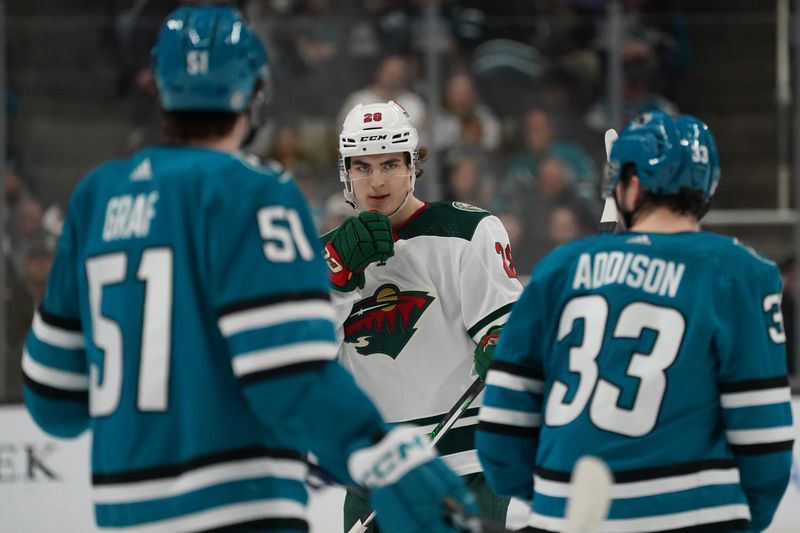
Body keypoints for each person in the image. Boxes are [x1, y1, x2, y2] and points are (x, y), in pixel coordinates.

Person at [21, 7, 475, 532]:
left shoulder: (95, 199)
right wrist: (388, 457)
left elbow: (53, 402)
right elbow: (290, 379)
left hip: (126, 512)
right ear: (254, 94)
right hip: (240, 508)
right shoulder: (255, 192)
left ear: (160, 89)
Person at [476, 111, 794, 533]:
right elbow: (763, 434)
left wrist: (556, 498)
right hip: (694, 517)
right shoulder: (740, 272)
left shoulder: (559, 270)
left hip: (566, 516)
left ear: (633, 186)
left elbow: (501, 426)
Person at [322, 100, 523, 531]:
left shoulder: (468, 231)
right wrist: (336, 278)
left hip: (464, 468)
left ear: (413, 165)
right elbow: (300, 359)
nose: (376, 182)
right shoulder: (322, 255)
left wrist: (505, 344)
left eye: (390, 164)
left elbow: (510, 332)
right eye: (363, 167)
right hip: (372, 476)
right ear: (346, 173)